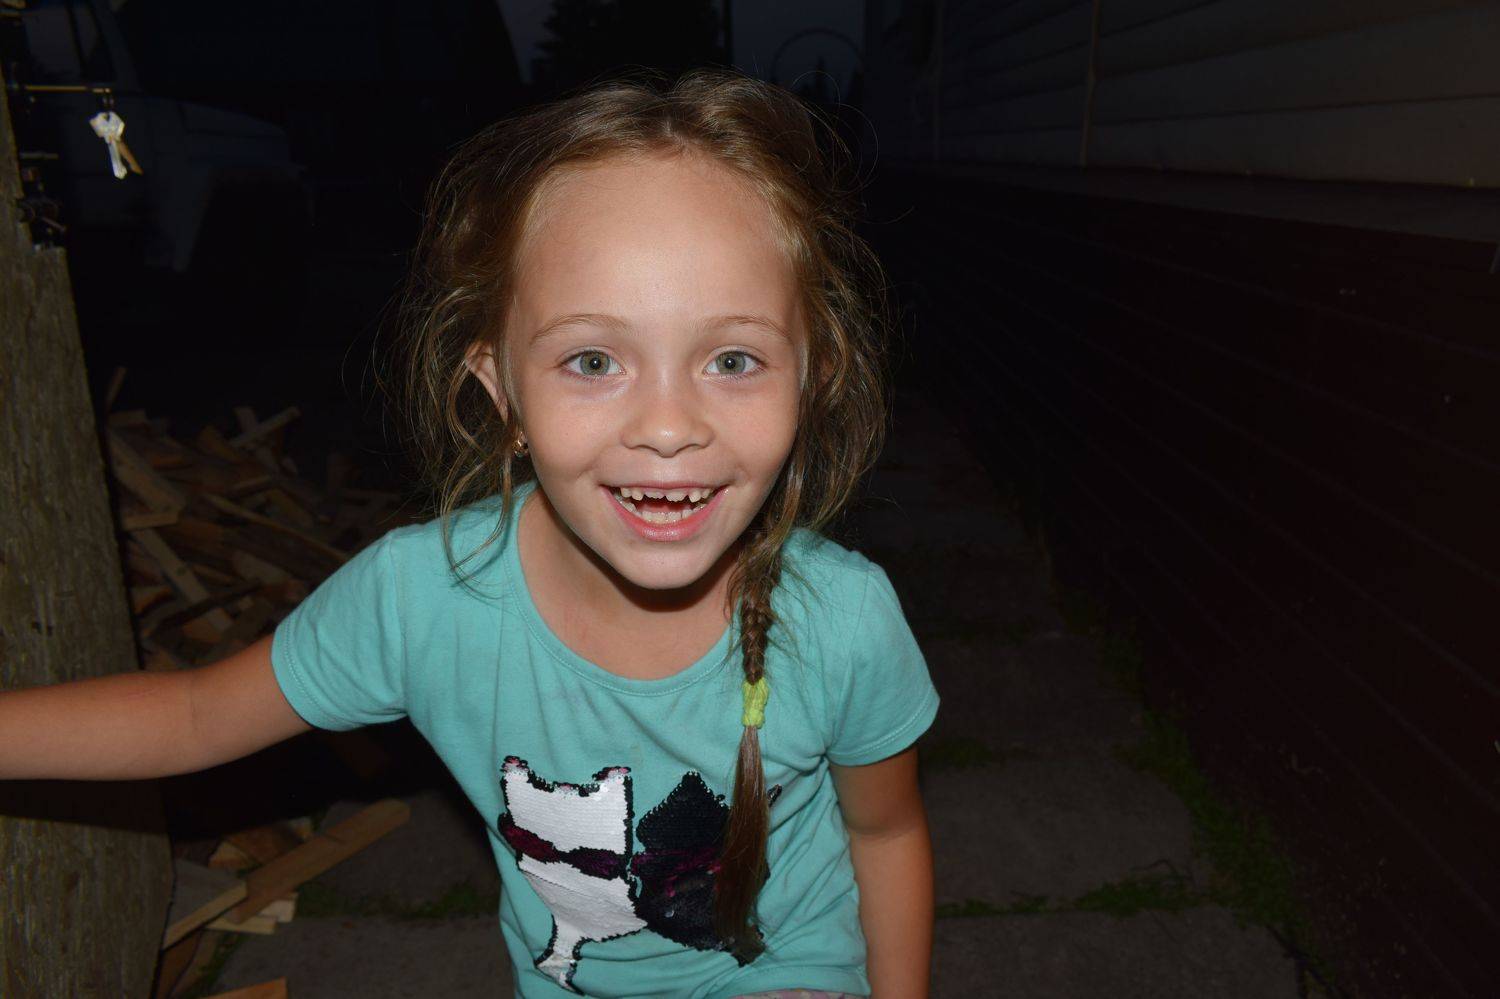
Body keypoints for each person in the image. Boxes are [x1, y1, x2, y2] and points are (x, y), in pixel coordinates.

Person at [0, 70, 940, 998]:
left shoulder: (842, 619)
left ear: (810, 376)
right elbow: (195, 715)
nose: (667, 425)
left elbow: (887, 829)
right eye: (593, 360)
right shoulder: (422, 599)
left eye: (733, 359)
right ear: (503, 391)